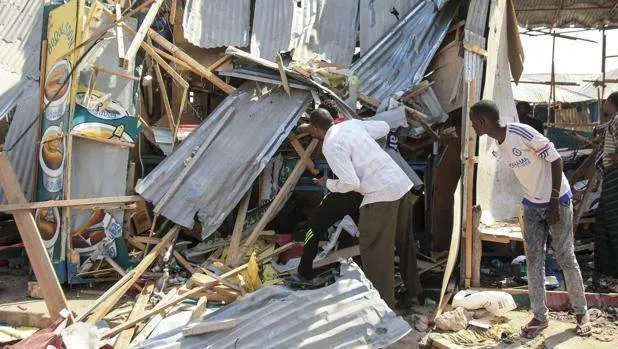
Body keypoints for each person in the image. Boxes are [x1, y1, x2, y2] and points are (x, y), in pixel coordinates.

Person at [469, 100, 590, 338]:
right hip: (533, 204)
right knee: (534, 260)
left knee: (566, 256)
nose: (473, 128)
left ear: (483, 122)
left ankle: (581, 312)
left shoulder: (521, 132)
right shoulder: (498, 141)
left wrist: (554, 200)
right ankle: (539, 316)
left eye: (474, 123)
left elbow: (555, 160)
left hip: (558, 201)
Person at [308, 108, 421, 308]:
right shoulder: (351, 125)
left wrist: (327, 183)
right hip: (401, 184)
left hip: (380, 194)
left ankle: (384, 308)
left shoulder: (331, 145)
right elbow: (384, 127)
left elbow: (350, 182)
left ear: (316, 129)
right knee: (405, 241)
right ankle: (414, 294)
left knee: (374, 248)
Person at [595, 91, 618, 278]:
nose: (604, 106)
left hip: (615, 173)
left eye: (606, 102)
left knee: (612, 222)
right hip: (611, 173)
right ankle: (608, 270)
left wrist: (612, 158)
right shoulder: (614, 121)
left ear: (611, 102)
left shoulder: (617, 120)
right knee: (605, 221)